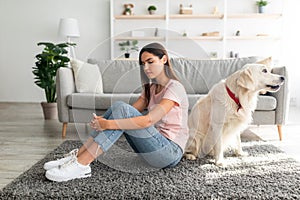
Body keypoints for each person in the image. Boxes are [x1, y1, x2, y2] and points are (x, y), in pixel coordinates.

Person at [44, 42, 189, 182]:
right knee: (118, 107)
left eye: (150, 61)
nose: (146, 67)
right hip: (151, 149)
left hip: (170, 152)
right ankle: (78, 157)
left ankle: (82, 164)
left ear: (163, 59)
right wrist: (105, 120)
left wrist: (108, 124)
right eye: (143, 64)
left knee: (120, 111)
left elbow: (148, 120)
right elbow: (128, 112)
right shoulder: (151, 89)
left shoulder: (174, 87)